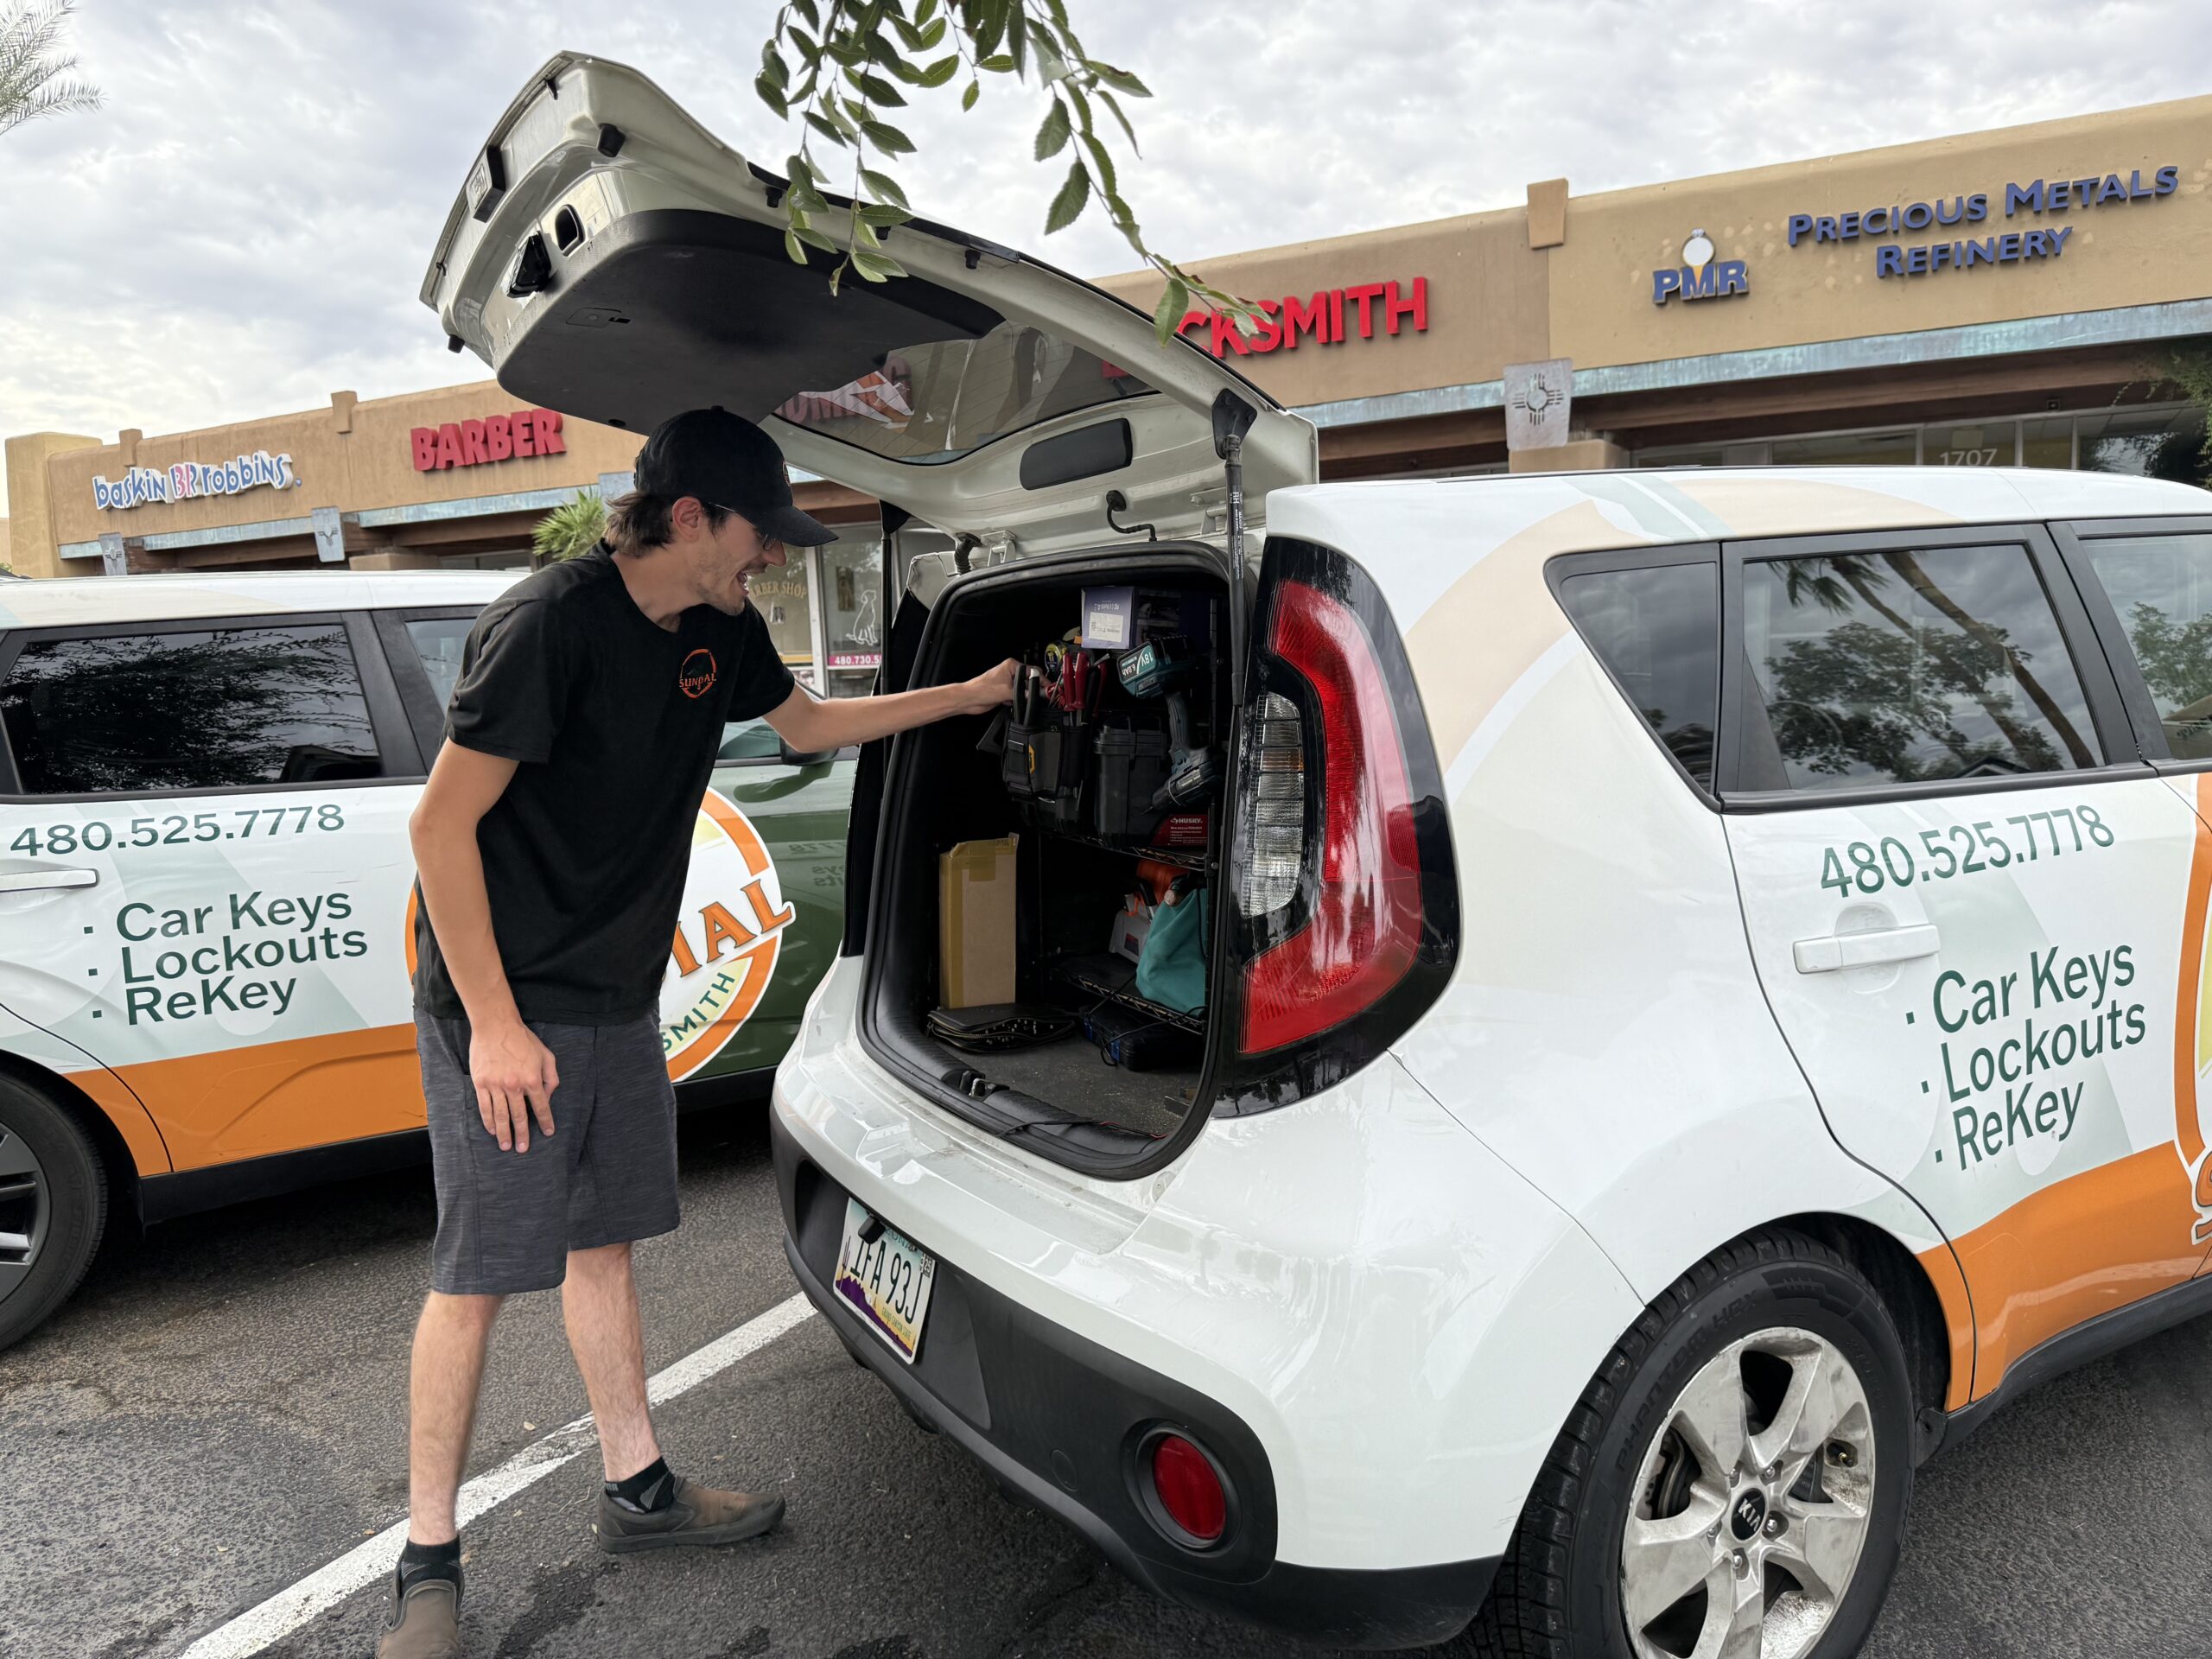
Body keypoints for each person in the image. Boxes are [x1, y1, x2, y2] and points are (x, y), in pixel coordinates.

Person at [379, 407, 1014, 1658]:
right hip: (504, 1007)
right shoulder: (548, 626)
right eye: (755, 535)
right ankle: (427, 1558)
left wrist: (969, 693)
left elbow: (816, 728)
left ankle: (641, 1493)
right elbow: (439, 831)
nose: (767, 559)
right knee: (477, 1279)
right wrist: (498, 1029)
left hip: (616, 1002)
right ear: (687, 519)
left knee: (604, 1247)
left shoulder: (719, 633)